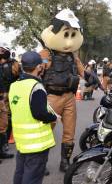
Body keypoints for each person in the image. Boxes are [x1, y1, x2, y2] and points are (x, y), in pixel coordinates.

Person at [39, 9, 102, 172]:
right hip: (51, 97)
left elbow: (83, 72)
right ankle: (41, 163)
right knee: (46, 131)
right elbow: (36, 73)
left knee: (69, 132)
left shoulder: (73, 56)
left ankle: (64, 162)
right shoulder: (46, 54)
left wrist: (93, 79)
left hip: (69, 98)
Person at [9, 51, 58, 184]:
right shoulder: (36, 86)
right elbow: (39, 113)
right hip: (37, 144)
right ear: (38, 67)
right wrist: (53, 117)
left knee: (20, 172)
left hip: (22, 141)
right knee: (33, 177)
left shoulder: (14, 85)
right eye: (42, 65)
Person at [0, 44, 20, 160]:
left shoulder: (14, 63)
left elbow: (19, 76)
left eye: (3, 50)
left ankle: (5, 143)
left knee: (9, 117)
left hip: (12, 93)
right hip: (4, 95)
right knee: (5, 118)